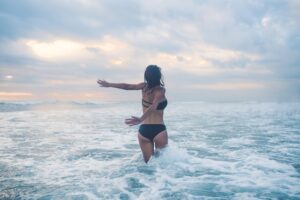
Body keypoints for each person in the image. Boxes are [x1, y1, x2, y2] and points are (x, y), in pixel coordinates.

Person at [97, 65, 168, 163]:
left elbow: (127, 86)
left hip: (144, 131)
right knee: (162, 165)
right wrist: (140, 119)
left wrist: (109, 84)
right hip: (159, 130)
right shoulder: (160, 90)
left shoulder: (143, 87)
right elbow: (154, 106)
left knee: (149, 165)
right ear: (159, 76)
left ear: (146, 76)